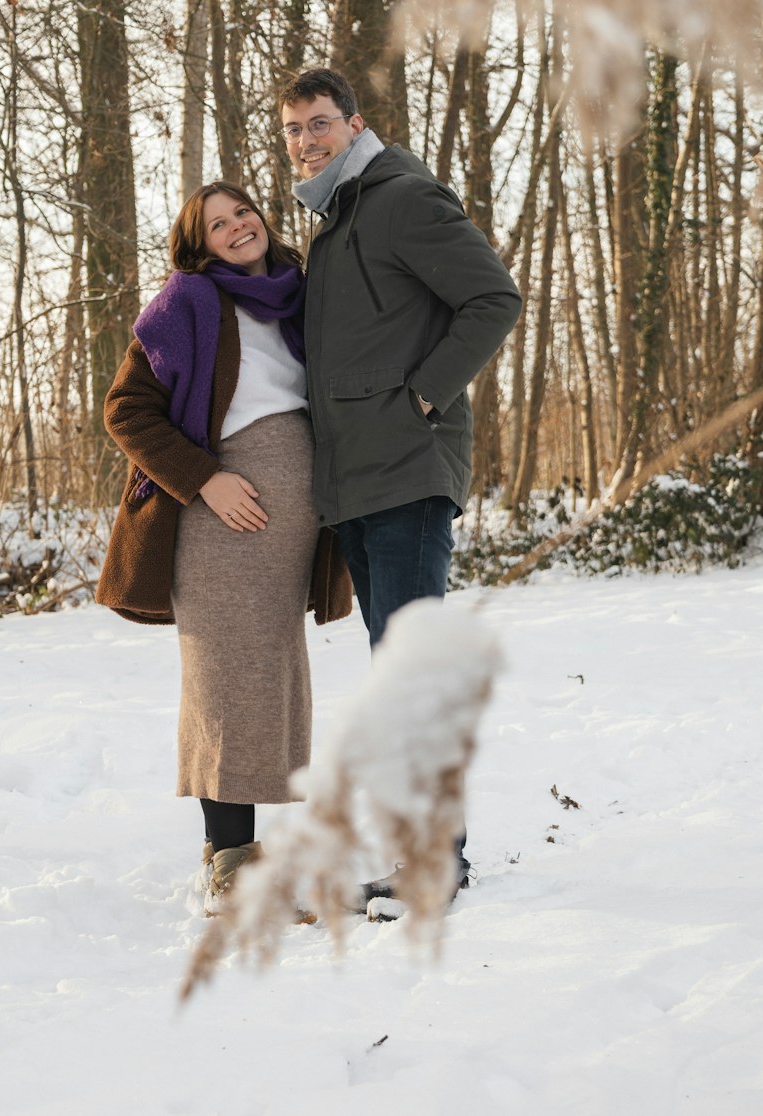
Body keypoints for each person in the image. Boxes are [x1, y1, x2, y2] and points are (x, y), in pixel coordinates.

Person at [279, 66, 522, 904]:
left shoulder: (400, 197)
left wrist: (422, 394)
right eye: (293, 131)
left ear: (353, 124)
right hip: (359, 481)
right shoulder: (337, 218)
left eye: (318, 124)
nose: (306, 141)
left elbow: (493, 298)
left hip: (407, 473)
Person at [96, 181, 351, 913]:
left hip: (291, 526)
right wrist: (205, 480)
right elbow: (125, 410)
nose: (238, 225)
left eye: (243, 212)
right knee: (226, 681)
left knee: (268, 679)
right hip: (221, 520)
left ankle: (231, 851)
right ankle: (232, 867)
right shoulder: (189, 303)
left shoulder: (298, 293)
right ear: (198, 243)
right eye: (217, 223)